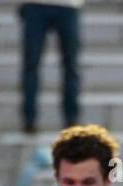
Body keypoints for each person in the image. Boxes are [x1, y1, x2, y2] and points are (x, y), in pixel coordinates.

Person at [19, 1, 82, 133]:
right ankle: (29, 119)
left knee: (71, 67)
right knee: (31, 65)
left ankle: (72, 118)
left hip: (68, 5)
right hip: (36, 4)